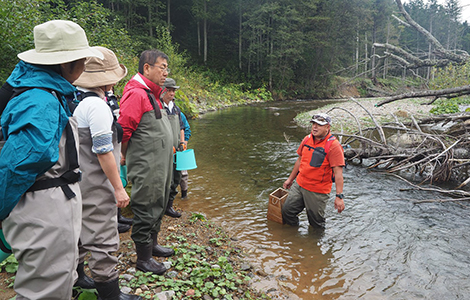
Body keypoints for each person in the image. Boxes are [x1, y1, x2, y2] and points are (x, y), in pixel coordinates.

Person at [0, 20, 104, 299]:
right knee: (44, 289)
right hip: (42, 209)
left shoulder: (42, 91)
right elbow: (19, 163)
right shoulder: (40, 101)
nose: (84, 64)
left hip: (48, 203)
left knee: (58, 280)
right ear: (66, 63)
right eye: (81, 58)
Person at [72, 46, 142, 300]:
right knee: (104, 238)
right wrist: (118, 187)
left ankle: (78, 277)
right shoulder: (98, 107)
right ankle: (110, 295)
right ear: (108, 80)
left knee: (78, 230)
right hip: (95, 182)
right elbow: (102, 151)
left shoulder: (75, 100)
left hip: (77, 180)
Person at [118, 49, 174, 275]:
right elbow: (124, 130)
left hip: (160, 163)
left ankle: (153, 245)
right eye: (162, 67)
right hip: (147, 163)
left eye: (166, 68)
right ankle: (143, 259)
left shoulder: (153, 94)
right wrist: (122, 155)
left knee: (159, 202)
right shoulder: (137, 94)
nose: (165, 73)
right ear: (147, 68)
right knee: (145, 205)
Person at [282, 113, 345, 229]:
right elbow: (300, 160)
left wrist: (339, 196)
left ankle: (315, 245)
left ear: (327, 127)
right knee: (287, 211)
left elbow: (338, 174)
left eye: (319, 125)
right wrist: (290, 179)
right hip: (299, 184)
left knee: (316, 223)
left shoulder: (334, 146)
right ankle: (294, 239)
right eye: (313, 124)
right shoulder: (307, 139)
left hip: (317, 191)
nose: (315, 127)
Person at [161, 78, 185, 218]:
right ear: (163, 91)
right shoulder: (159, 108)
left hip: (178, 150)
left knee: (177, 177)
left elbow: (181, 127)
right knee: (165, 179)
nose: (172, 93)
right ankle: (161, 206)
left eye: (173, 90)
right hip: (164, 150)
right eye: (169, 90)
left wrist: (182, 143)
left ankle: (169, 206)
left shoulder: (176, 108)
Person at [179, 112, 192, 199]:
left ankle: (184, 196)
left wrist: (184, 143)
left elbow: (187, 128)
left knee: (183, 174)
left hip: (181, 145)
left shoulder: (178, 112)